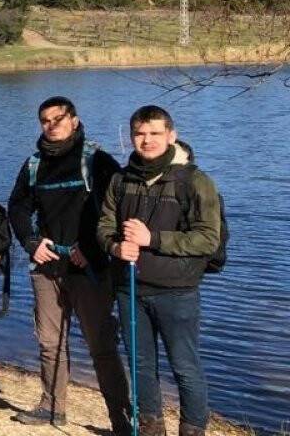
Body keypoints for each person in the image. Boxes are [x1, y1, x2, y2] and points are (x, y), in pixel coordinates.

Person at [7, 97, 130, 430]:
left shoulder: (99, 162)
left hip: (89, 268)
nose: (51, 125)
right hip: (47, 267)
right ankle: (51, 408)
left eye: (58, 118)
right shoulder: (34, 164)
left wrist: (90, 248)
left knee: (101, 347)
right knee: (49, 343)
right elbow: (17, 208)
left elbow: (117, 212)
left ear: (74, 120)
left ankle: (122, 418)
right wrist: (32, 243)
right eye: (45, 120)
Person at [97, 106, 221, 436]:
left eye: (154, 133)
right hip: (130, 289)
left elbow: (208, 238)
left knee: (185, 367)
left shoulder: (195, 181)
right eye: (140, 133)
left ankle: (192, 429)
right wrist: (114, 247)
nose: (147, 140)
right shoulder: (121, 180)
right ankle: (151, 427)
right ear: (131, 137)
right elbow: (105, 225)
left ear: (171, 135)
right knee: (140, 365)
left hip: (176, 291)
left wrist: (152, 238)